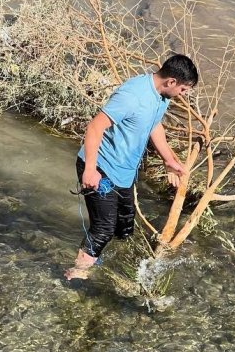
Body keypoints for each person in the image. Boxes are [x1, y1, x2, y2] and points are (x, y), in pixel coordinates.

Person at [65, 54, 199, 280]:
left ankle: (114, 265)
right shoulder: (132, 96)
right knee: (103, 229)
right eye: (184, 90)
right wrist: (89, 169)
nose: (184, 96)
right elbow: (94, 127)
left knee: (125, 226)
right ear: (171, 82)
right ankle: (76, 274)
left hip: (124, 173)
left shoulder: (161, 96)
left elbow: (154, 125)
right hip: (101, 168)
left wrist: (169, 160)